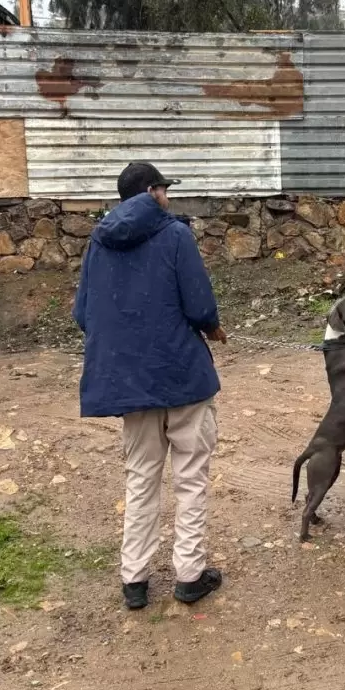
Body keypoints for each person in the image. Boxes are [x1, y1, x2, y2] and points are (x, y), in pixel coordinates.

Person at [73, 161, 226, 610]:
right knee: (190, 477)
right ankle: (189, 576)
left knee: (141, 478)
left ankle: (134, 581)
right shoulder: (175, 235)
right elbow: (199, 306)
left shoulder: (98, 242)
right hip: (182, 376)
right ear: (151, 192)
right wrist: (213, 329)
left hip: (130, 383)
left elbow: (83, 315)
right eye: (165, 189)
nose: (168, 197)